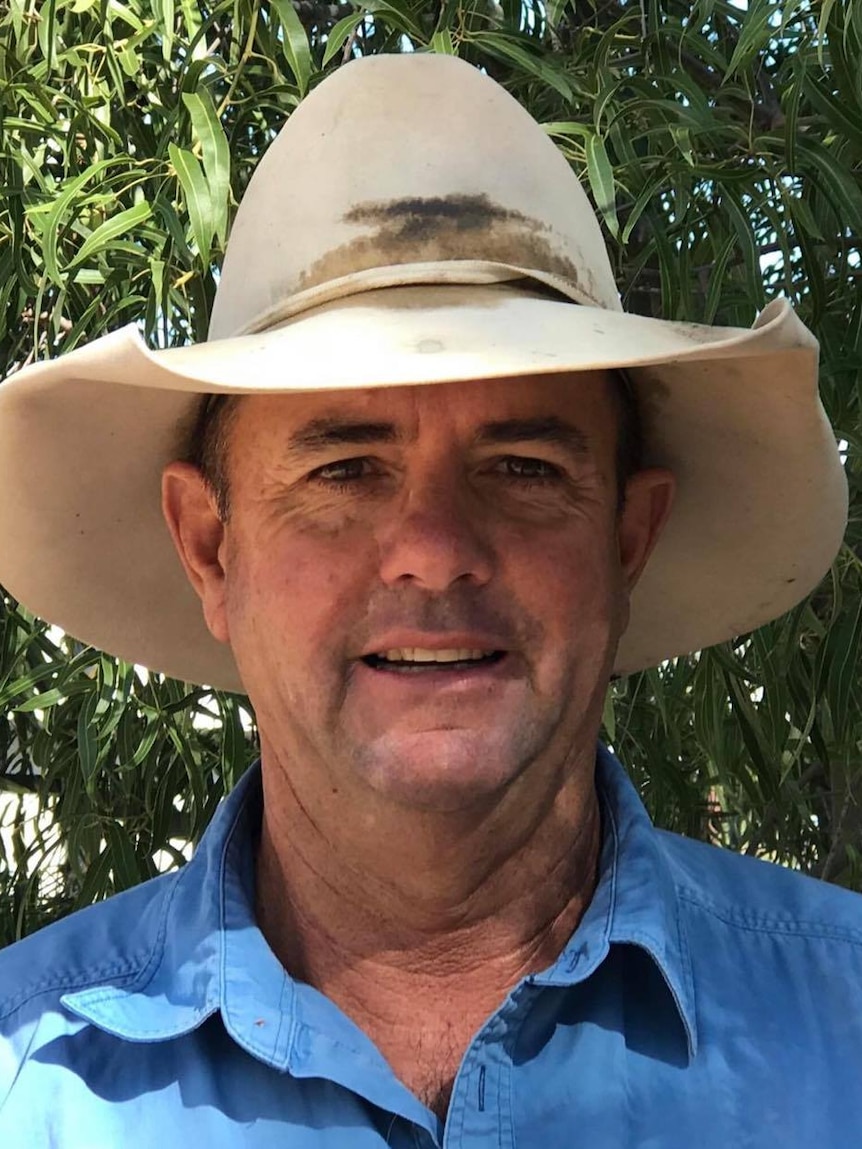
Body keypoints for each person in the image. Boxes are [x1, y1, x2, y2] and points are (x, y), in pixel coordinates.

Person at [0, 52, 858, 1149]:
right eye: (344, 471)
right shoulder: (31, 1084)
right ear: (211, 549)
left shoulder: (843, 1040)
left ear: (626, 541)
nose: (435, 553)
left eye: (522, 469)